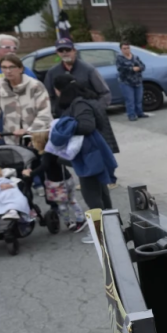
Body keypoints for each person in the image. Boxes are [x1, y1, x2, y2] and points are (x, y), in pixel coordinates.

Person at [51, 75, 119, 215]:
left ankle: (100, 232)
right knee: (101, 192)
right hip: (95, 152)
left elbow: (87, 126)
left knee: (91, 195)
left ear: (60, 90)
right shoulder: (87, 100)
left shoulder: (79, 104)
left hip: (89, 155)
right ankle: (111, 227)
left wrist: (64, 126)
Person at [0, 55, 53, 146]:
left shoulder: (35, 86)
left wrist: (29, 131)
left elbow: (44, 113)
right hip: (12, 137)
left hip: (38, 137)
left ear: (20, 69)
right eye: (4, 67)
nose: (8, 71)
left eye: (12, 67)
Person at [27, 130, 87, 233]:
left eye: (33, 142)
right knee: (72, 200)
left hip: (57, 184)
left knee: (62, 205)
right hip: (67, 179)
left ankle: (69, 222)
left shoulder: (46, 155)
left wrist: (30, 173)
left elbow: (44, 167)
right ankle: (80, 218)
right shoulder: (55, 150)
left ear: (39, 143)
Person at [43, 38, 111, 109]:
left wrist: (96, 109)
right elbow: (48, 96)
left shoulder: (88, 69)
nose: (65, 53)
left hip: (87, 113)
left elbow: (105, 93)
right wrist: (57, 111)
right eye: (61, 50)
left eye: (68, 50)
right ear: (57, 52)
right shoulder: (52, 72)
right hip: (65, 115)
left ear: (74, 50)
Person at [115, 42, 149, 121]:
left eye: (128, 48)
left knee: (139, 99)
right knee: (130, 100)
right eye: (124, 48)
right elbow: (120, 69)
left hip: (137, 81)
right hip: (126, 82)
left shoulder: (135, 57)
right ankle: (131, 115)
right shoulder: (119, 58)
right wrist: (132, 69)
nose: (126, 50)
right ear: (121, 49)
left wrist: (139, 68)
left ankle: (140, 113)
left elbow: (143, 66)